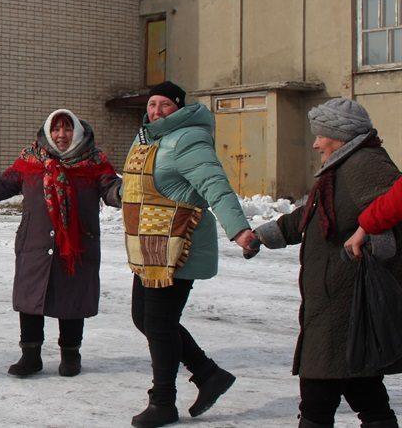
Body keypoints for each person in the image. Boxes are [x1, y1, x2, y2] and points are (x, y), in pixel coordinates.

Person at [250, 98, 400, 428]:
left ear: (340, 135)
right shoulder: (343, 166)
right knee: (363, 389)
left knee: (319, 395)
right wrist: (267, 234)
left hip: (347, 301)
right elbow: (313, 215)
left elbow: (392, 217)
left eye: (320, 135)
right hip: (335, 299)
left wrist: (371, 243)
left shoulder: (366, 165)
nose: (316, 143)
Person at [120, 81, 256, 428]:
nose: (156, 111)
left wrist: (239, 230)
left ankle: (163, 402)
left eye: (165, 105)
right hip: (149, 246)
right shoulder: (147, 138)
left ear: (179, 108)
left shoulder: (189, 139)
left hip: (177, 246)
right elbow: (139, 184)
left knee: (159, 324)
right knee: (144, 318)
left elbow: (215, 185)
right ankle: (208, 374)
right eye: (152, 104)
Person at [0, 109, 121, 378]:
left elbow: (110, 187)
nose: (61, 135)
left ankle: (71, 354)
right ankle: (30, 356)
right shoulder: (30, 160)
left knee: (72, 299)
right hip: (35, 241)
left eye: (67, 128)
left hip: (76, 245)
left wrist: (124, 192)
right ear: (47, 132)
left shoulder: (94, 162)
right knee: (31, 299)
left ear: (77, 132)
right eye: (56, 129)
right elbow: (2, 184)